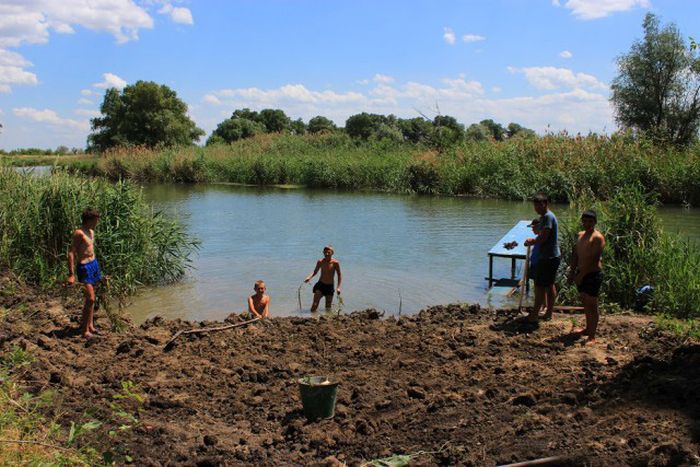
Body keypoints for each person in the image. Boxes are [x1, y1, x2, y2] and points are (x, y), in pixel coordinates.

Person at [569, 210, 605, 344]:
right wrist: (572, 273)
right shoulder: (580, 235)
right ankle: (587, 328)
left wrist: (582, 275)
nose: (587, 224)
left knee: (592, 304)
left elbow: (594, 260)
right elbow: (575, 255)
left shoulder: (597, 237)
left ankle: (592, 336)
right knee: (585, 302)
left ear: (595, 222)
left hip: (592, 274)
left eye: (590, 221)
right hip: (580, 272)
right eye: (585, 221)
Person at [66, 207, 102, 338]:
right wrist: (71, 274)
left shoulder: (91, 232)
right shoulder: (79, 233)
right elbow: (71, 253)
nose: (97, 222)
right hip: (84, 267)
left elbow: (90, 249)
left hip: (94, 264)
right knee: (91, 298)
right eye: (96, 220)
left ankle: (90, 326)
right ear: (89, 219)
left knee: (92, 299)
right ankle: (84, 330)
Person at [524, 193, 561, 322]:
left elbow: (544, 237)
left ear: (544, 204)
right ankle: (548, 313)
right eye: (534, 206)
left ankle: (535, 314)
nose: (536, 209)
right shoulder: (546, 217)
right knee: (549, 285)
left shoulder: (547, 217)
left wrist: (531, 241)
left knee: (540, 286)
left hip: (548, 256)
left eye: (538, 206)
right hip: (551, 256)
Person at [304, 245, 342, 312]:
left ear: (332, 253)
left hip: (330, 286)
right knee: (315, 305)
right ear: (323, 253)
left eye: (328, 252)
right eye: (325, 252)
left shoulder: (335, 263)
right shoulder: (320, 261)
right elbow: (315, 272)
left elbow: (339, 275)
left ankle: (326, 320)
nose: (326, 254)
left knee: (328, 306)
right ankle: (312, 317)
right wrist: (309, 277)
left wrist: (338, 287)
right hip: (320, 285)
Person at [527, 218, 546, 313]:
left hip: (540, 265)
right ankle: (539, 306)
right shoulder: (538, 237)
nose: (532, 229)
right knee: (537, 286)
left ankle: (542, 307)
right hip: (535, 264)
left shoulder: (543, 238)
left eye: (533, 227)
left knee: (540, 287)